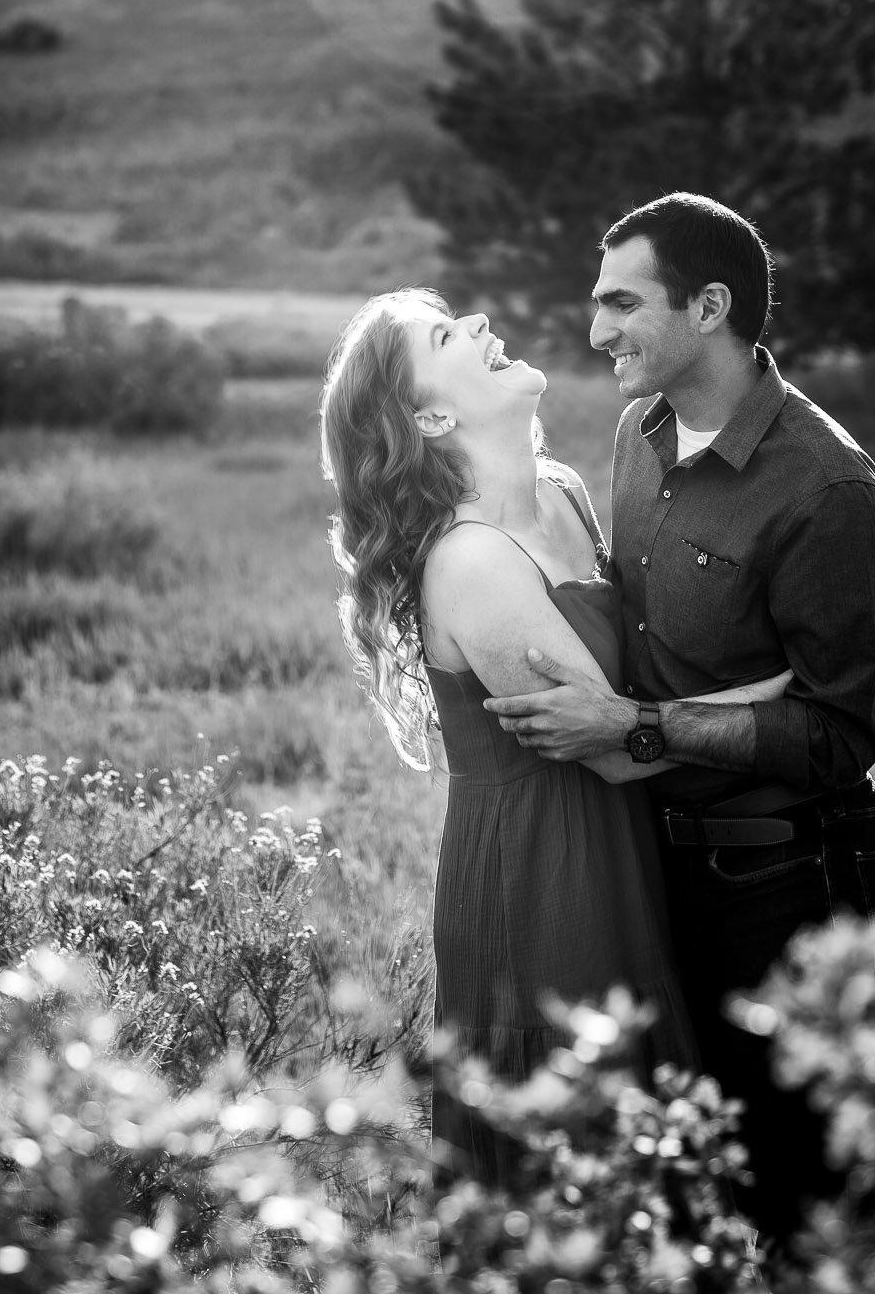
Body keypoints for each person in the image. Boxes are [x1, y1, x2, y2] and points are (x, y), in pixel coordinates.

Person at [486, 193, 875, 1246]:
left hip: (786, 885)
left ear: (709, 306)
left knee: (808, 1203)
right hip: (652, 867)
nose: (595, 331)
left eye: (622, 302)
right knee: (684, 1186)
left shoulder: (825, 489)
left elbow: (838, 738)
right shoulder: (639, 429)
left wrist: (636, 726)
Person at [320, 285, 787, 1184]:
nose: (486, 323)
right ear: (432, 413)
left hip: (623, 849)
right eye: (450, 335)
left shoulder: (565, 494)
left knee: (647, 1140)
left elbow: (636, 689)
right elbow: (614, 750)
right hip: (542, 876)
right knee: (578, 1149)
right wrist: (791, 690)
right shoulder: (471, 562)